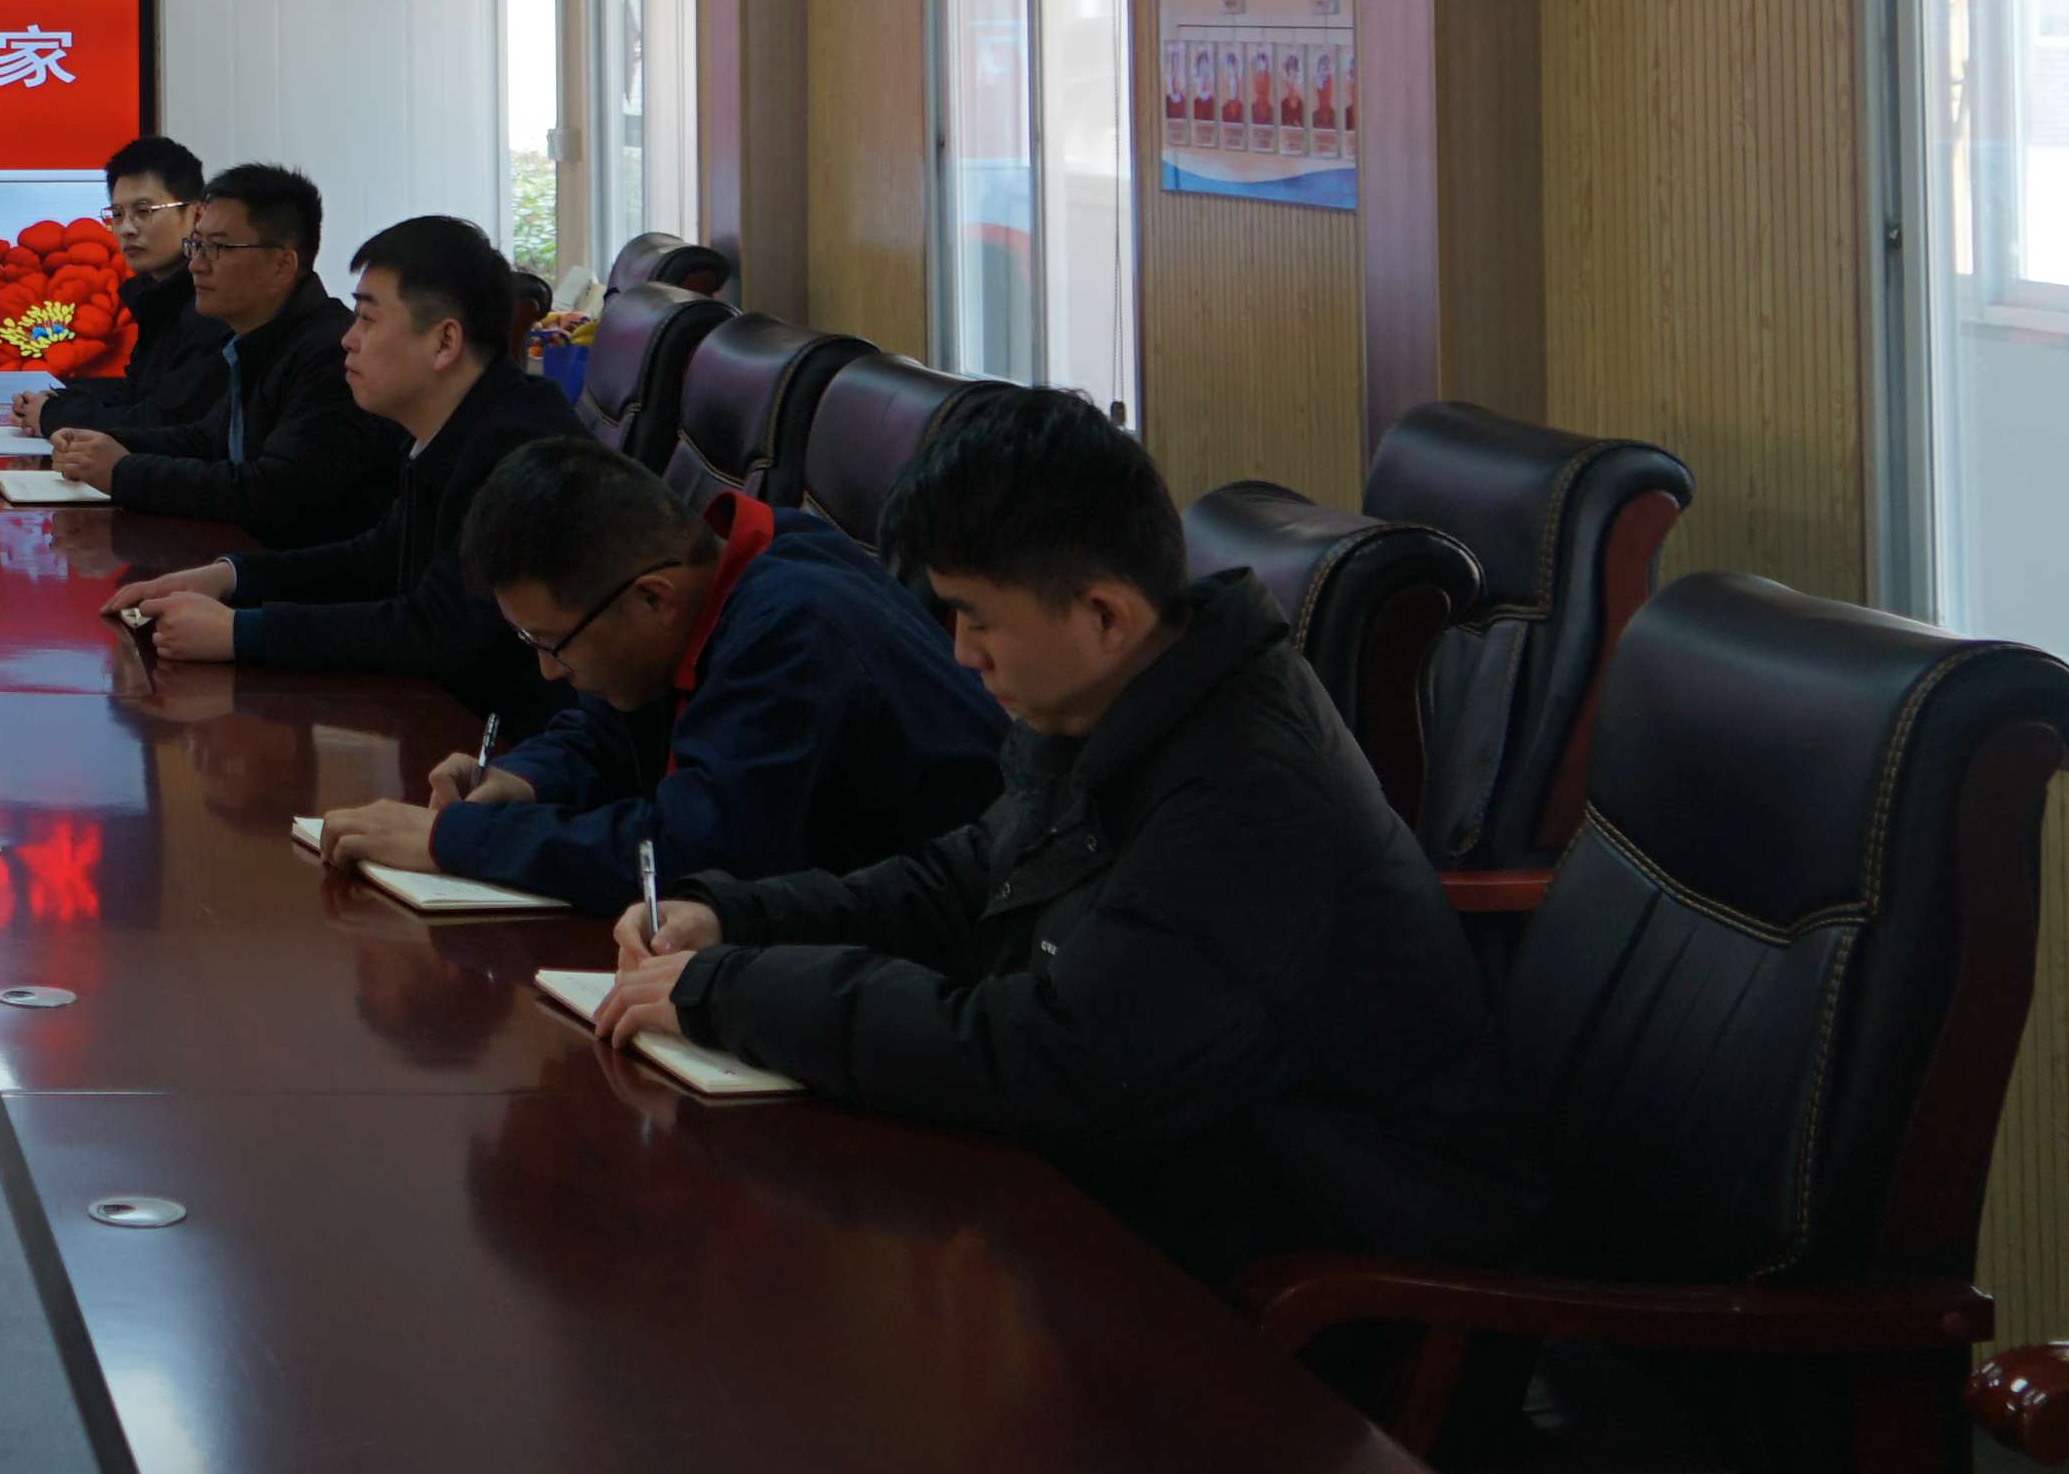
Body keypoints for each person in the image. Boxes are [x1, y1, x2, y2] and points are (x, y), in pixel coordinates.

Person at [573, 383, 1539, 1275]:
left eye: (976, 618)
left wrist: (730, 992)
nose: (961, 653)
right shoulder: (1118, 697)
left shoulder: (1248, 797)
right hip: (1168, 1184)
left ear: (1104, 614)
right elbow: (966, 883)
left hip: (1325, 1266)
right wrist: (734, 919)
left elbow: (1049, 1062)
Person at [309, 434, 1001, 910]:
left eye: (554, 644)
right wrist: (523, 779)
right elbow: (609, 732)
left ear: (652, 599)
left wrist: (455, 841)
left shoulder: (795, 630)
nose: (547, 672)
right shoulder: (720, 571)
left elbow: (689, 852)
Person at [103, 214, 580, 722]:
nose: (347, 340)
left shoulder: (517, 451)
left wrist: (239, 632)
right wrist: (227, 577)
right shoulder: (456, 423)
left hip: (511, 744)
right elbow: (380, 557)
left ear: (445, 342)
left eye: (368, 320)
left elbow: (440, 630)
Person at [48, 161, 394, 544]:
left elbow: (274, 490)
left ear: (282, 265)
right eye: (197, 245)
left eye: (218, 248)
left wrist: (122, 471)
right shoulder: (257, 338)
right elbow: (207, 441)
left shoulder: (329, 353)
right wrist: (96, 443)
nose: (196, 265)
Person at [35, 136, 218, 437]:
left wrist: (52, 415)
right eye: (117, 214)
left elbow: (166, 421)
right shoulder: (157, 296)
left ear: (197, 214)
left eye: (144, 211)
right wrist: (56, 400)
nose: (127, 229)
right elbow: (136, 395)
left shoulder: (213, 302)